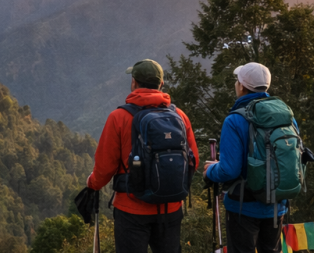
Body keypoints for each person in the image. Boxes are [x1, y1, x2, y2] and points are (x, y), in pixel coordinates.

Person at [86, 59, 199, 253]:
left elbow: (105, 167)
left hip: (131, 208)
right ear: (161, 84)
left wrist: (92, 183)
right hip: (170, 207)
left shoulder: (118, 117)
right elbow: (192, 161)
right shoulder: (179, 116)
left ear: (134, 82)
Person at [205, 62, 293, 253]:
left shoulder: (235, 120)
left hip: (243, 207)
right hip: (276, 204)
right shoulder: (287, 116)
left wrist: (210, 170)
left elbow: (229, 170)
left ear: (242, 86)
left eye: (237, 81)